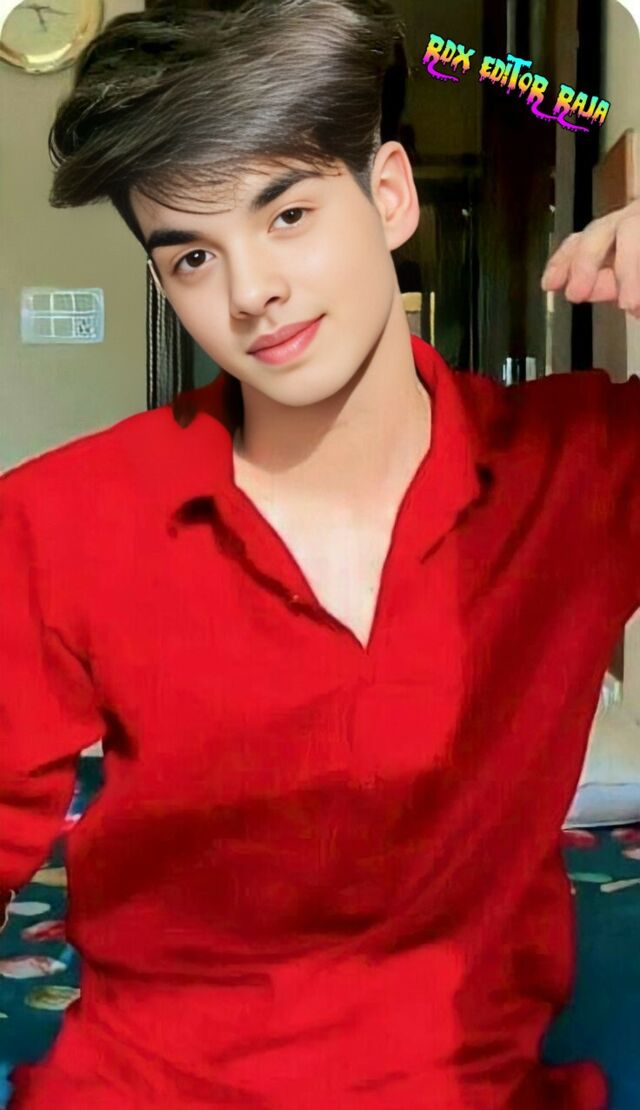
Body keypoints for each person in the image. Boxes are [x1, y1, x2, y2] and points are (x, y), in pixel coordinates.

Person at [1, 0, 639, 1106]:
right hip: (153, 1083)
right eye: (192, 256)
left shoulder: (580, 471)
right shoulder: (60, 518)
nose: (249, 293)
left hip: (466, 1082)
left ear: (388, 195)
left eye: (288, 213)